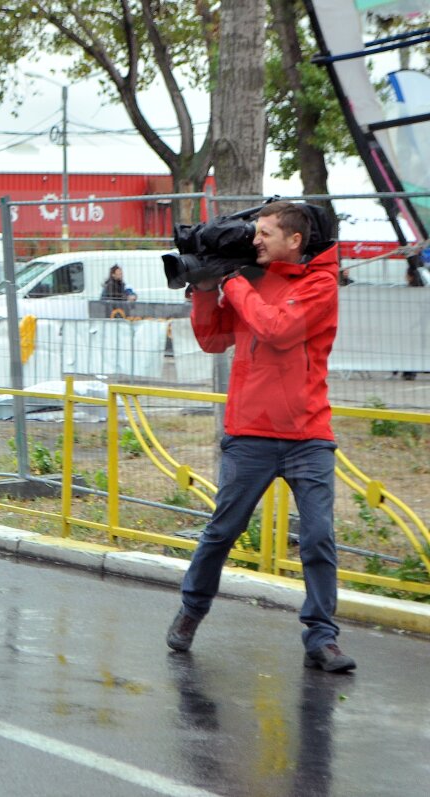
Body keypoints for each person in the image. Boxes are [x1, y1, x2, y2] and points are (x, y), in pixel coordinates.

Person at [165, 200, 355, 673]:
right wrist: (205, 290)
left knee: (317, 537)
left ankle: (322, 637)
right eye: (255, 233)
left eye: (265, 233)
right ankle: (191, 611)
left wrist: (230, 281)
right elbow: (213, 339)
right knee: (223, 531)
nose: (255, 240)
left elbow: (278, 329)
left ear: (295, 240)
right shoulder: (250, 281)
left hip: (308, 433)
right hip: (249, 431)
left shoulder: (320, 283)